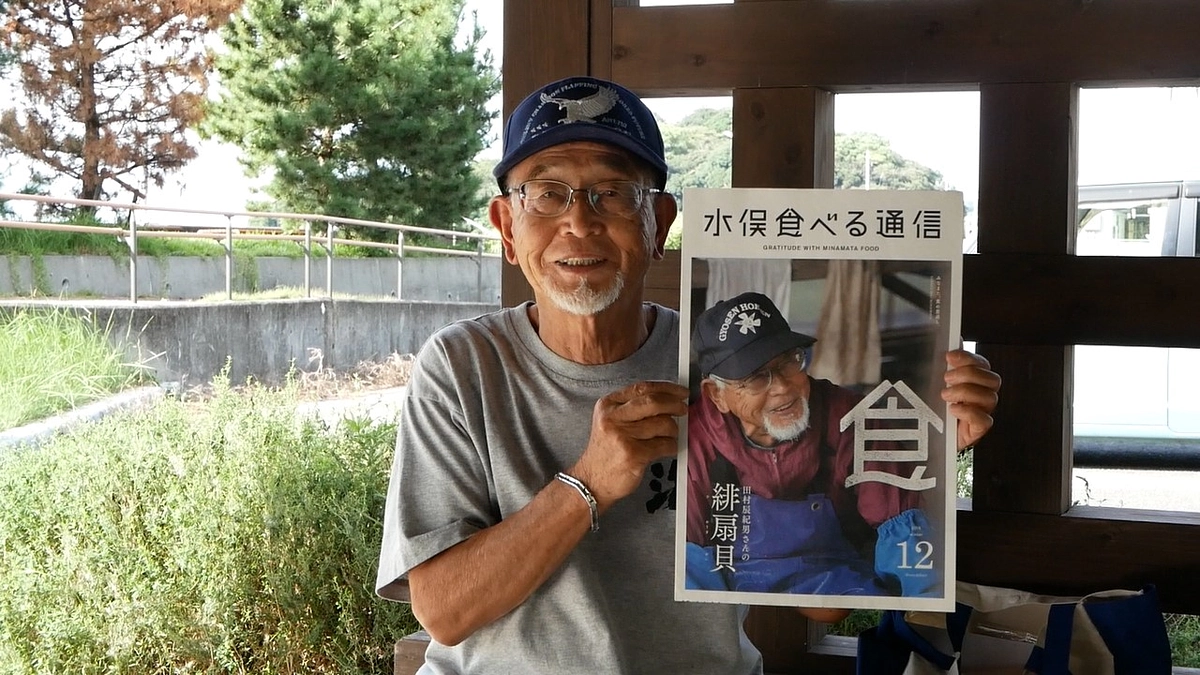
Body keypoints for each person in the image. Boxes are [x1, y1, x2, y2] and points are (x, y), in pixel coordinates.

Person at [375, 75, 1002, 674]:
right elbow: (444, 612)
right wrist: (587, 484)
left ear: (661, 224)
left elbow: (824, 604)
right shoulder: (462, 366)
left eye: (614, 192)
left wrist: (922, 449)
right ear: (507, 227)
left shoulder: (709, 362)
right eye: (545, 193)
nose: (580, 221)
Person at [686, 291, 948, 598]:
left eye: (789, 362)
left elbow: (903, 528)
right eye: (756, 377)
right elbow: (688, 558)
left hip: (840, 578)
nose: (782, 387)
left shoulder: (850, 415)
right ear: (716, 394)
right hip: (734, 588)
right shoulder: (693, 437)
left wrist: (926, 605)